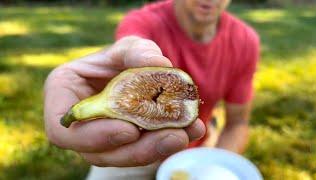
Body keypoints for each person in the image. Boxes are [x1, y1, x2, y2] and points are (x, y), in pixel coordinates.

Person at [44, 0, 260, 179]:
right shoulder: (144, 21)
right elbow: (130, 43)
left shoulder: (245, 41)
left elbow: (237, 123)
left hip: (198, 145)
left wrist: (211, 166)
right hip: (134, 142)